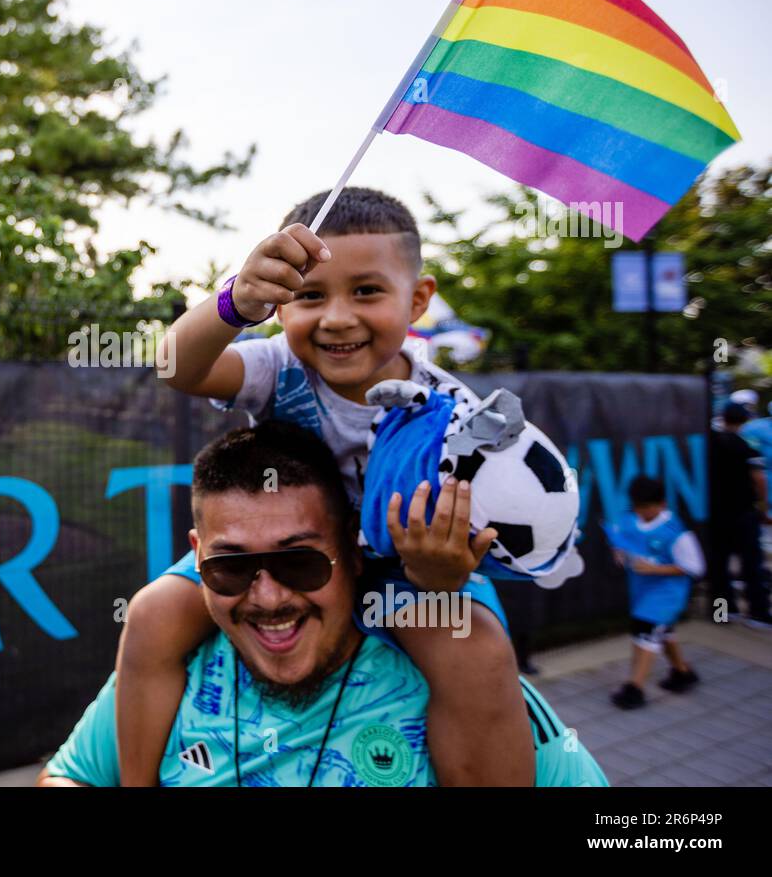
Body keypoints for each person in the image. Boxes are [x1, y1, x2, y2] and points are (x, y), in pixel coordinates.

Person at [116, 187, 580, 787]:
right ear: (282, 307)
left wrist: (440, 577)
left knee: (476, 650)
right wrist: (235, 301)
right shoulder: (276, 366)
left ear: (417, 301)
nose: (337, 317)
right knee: (153, 612)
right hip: (281, 556)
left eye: (366, 290)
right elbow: (176, 367)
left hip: (398, 572)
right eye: (310, 294)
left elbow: (464, 539)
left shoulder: (455, 418)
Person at [38, 422, 607, 787]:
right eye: (230, 567)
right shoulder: (166, 663)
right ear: (196, 557)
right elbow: (69, 777)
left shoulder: (468, 682)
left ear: (354, 554)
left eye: (300, 563)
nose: (268, 597)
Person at [604, 476, 706, 710]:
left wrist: (655, 569)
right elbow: (620, 540)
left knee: (644, 632)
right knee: (663, 631)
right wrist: (619, 552)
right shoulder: (628, 520)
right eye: (638, 507)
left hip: (667, 594)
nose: (642, 512)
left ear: (662, 504)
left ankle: (635, 688)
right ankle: (682, 672)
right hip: (641, 591)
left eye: (647, 507)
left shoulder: (677, 532)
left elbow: (695, 567)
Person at [707, 402, 771, 630]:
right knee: (751, 564)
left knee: (720, 564)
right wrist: (763, 507)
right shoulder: (747, 446)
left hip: (717, 514)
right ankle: (758, 613)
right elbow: (759, 479)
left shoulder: (711, 444)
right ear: (744, 420)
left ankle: (723, 612)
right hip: (743, 512)